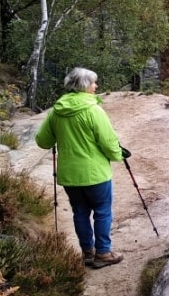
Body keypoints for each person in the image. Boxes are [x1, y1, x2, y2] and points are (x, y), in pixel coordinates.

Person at [36, 67, 124, 269]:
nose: (96, 86)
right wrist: (118, 155)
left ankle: (87, 253)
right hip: (95, 173)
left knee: (80, 212)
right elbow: (109, 142)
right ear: (85, 86)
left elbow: (43, 141)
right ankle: (103, 253)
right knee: (102, 211)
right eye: (94, 83)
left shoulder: (56, 111)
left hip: (69, 175)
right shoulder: (94, 110)